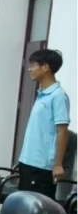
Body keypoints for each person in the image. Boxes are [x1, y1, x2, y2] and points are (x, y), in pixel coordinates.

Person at [18, 49, 70, 199]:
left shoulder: (58, 95)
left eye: (33, 65)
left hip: (42, 166)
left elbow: (62, 131)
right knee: (23, 205)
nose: (30, 69)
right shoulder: (42, 94)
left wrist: (58, 164)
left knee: (38, 208)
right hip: (28, 160)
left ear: (45, 67)